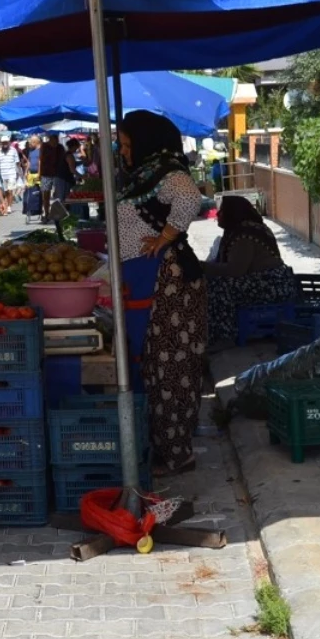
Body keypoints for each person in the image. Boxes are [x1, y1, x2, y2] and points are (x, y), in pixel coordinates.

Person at [116, 111, 207, 477]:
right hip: (147, 278)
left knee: (169, 365)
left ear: (147, 141)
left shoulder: (166, 171)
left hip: (168, 283)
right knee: (153, 364)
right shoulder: (143, 174)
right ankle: (162, 446)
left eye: (126, 144)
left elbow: (189, 198)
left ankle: (176, 453)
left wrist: (165, 237)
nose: (122, 152)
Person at [205, 196, 299, 345]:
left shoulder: (245, 233)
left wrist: (202, 267)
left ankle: (223, 336)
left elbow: (235, 270)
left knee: (217, 287)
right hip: (268, 282)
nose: (218, 214)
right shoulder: (242, 229)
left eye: (222, 211)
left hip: (272, 286)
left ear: (233, 213)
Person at [0, 135, 21, 216]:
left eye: (6, 142)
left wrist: (19, 172)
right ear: (1, 143)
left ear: (9, 143)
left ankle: (9, 206)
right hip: (2, 174)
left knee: (10, 190)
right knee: (5, 191)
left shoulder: (13, 150)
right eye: (3, 143)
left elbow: (17, 162)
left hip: (12, 173)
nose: (5, 144)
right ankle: (6, 204)